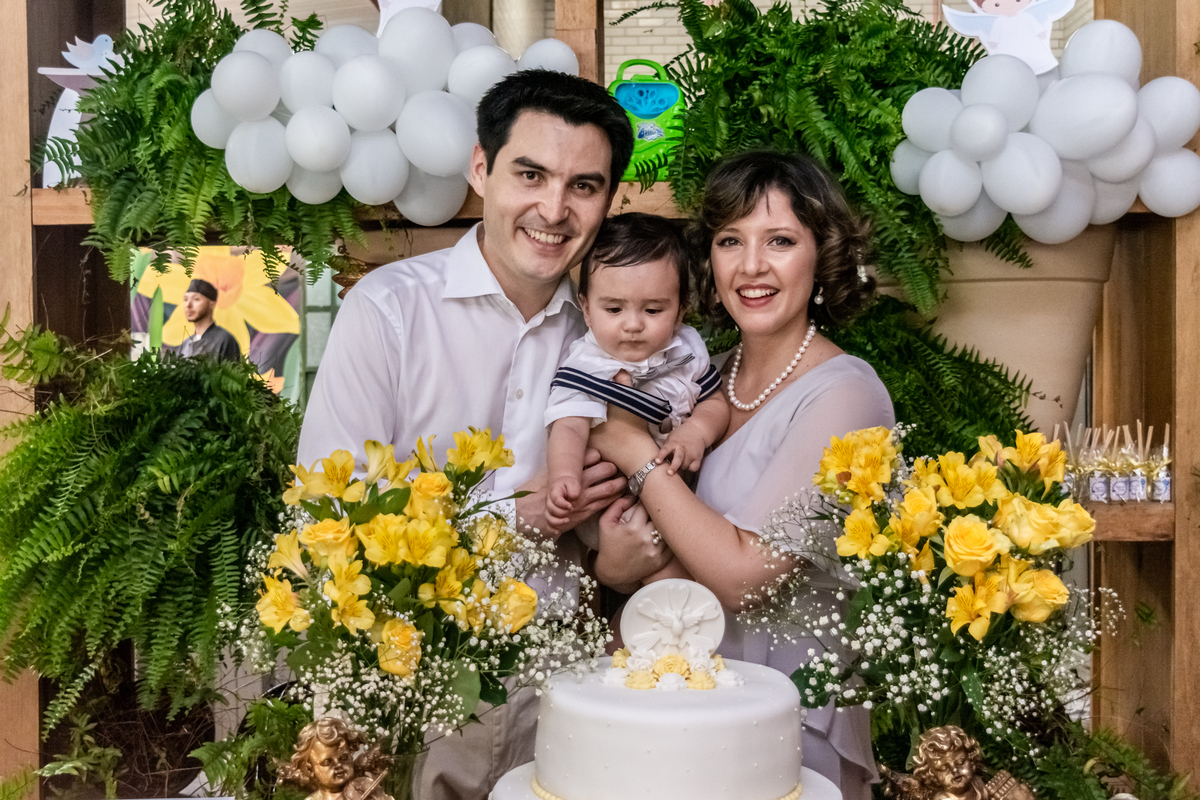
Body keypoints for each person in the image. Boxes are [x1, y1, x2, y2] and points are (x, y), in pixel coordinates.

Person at [296, 69, 634, 800]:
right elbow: (331, 516)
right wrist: (517, 514)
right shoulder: (388, 313)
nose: (554, 207)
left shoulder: (613, 340)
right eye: (531, 173)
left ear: (610, 201)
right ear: (480, 169)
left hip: (560, 687)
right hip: (402, 674)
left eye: (584, 186)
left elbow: (622, 522)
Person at [588, 150, 894, 800]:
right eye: (731, 241)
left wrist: (630, 448)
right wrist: (611, 567)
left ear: (824, 255)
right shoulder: (702, 379)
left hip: (782, 719)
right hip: (673, 708)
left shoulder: (846, 394)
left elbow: (743, 575)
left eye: (779, 240)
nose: (751, 266)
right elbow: (642, 539)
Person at [543, 212, 728, 542]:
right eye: (613, 309)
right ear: (586, 309)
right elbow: (568, 425)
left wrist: (697, 431)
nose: (633, 325)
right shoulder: (586, 365)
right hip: (614, 501)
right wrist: (564, 475)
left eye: (653, 310)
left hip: (684, 491)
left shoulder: (684, 348)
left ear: (681, 309)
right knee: (651, 558)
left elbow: (714, 401)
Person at [178, 278, 240, 361]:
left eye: (196, 299)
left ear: (212, 304)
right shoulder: (185, 344)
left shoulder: (224, 340)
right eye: (186, 299)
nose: (188, 305)